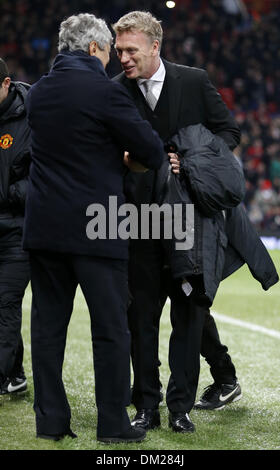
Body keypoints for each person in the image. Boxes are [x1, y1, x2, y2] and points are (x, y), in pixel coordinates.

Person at [23, 13, 164, 443]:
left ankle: (50, 423)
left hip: (45, 228)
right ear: (93, 49)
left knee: (47, 331)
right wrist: (121, 159)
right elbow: (153, 152)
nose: (111, 60)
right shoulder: (106, 94)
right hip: (98, 228)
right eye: (108, 51)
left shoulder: (39, 94)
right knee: (109, 331)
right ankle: (113, 427)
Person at [112, 10, 242, 432]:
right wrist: (123, 161)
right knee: (141, 320)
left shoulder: (193, 80)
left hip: (190, 222)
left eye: (132, 50)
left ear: (155, 46)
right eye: (119, 51)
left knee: (187, 320)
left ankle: (180, 408)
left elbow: (228, 133)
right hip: (138, 221)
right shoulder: (114, 90)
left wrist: (192, 158)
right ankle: (145, 406)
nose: (124, 59)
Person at [0, 58, 30, 396]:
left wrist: (8, 193)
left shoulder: (31, 117)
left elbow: (44, 173)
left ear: (7, 84)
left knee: (6, 302)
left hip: (18, 229)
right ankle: (15, 373)